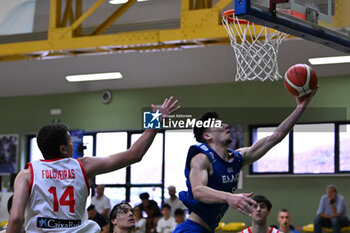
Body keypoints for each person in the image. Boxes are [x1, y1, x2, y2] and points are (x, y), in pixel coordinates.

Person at [6, 97, 179, 233]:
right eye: (70, 141)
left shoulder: (27, 174)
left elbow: (15, 220)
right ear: (63, 149)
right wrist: (154, 124)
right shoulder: (84, 166)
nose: (73, 144)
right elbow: (134, 154)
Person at [173, 89, 317, 233]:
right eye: (219, 125)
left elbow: (274, 138)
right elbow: (198, 191)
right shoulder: (201, 158)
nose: (226, 126)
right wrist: (229, 197)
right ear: (207, 136)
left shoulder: (237, 158)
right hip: (192, 228)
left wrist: (301, 107)